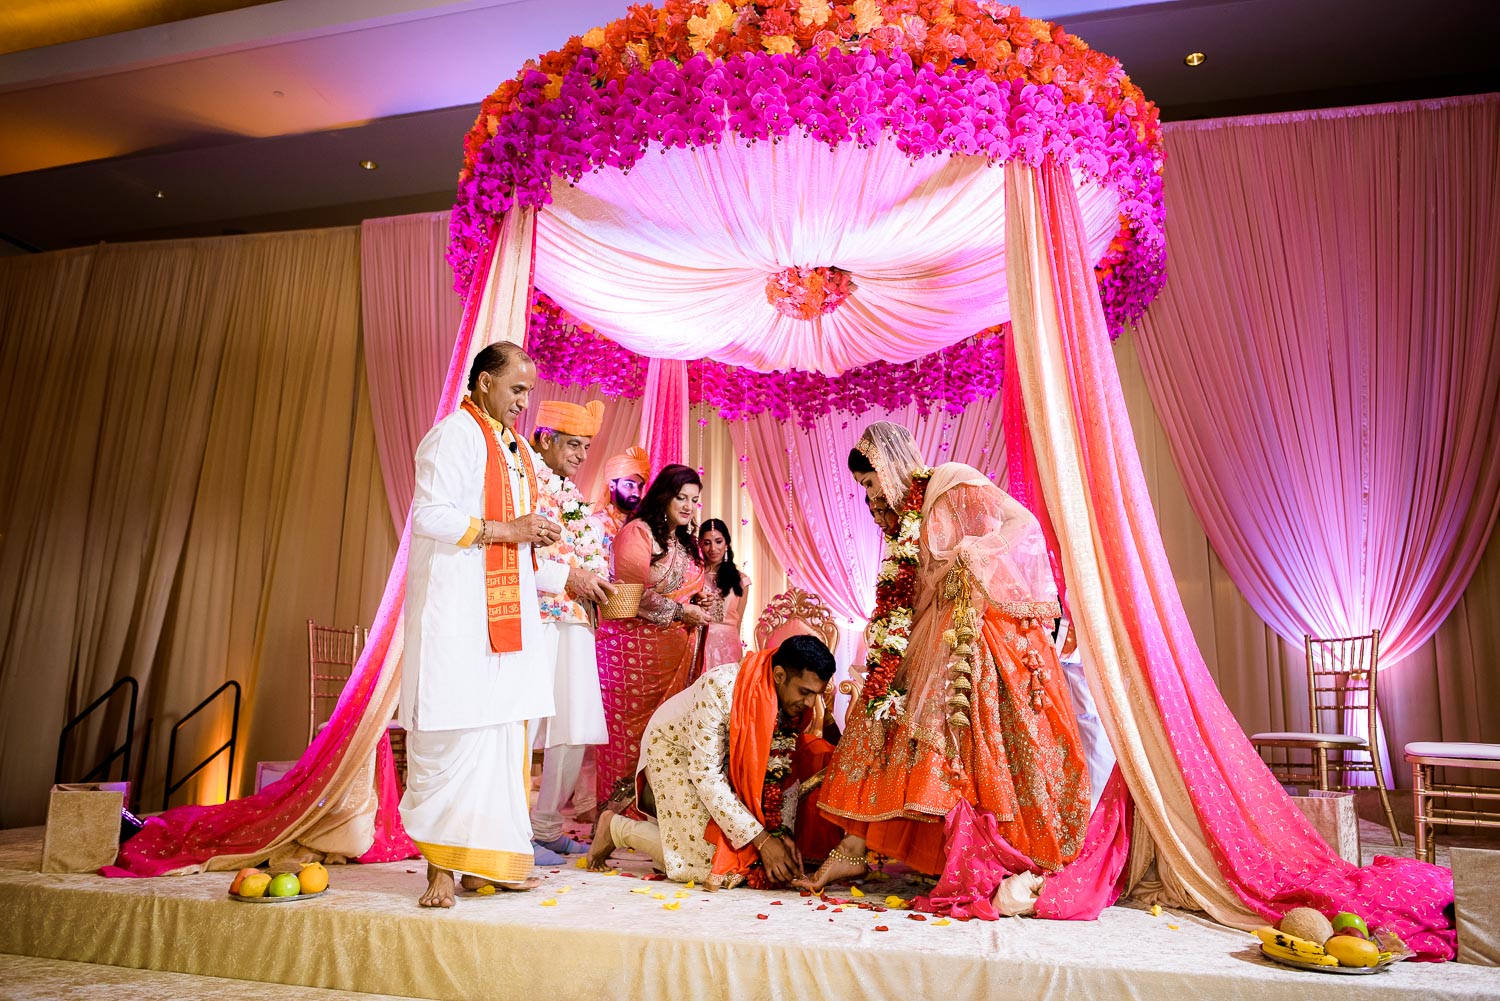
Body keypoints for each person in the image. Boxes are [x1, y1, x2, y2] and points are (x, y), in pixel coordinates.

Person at [798, 421, 1091, 892]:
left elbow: (1023, 523)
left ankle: (966, 851)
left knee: (960, 736)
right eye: (864, 487)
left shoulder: (952, 480)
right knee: (883, 717)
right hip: (927, 631)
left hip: (974, 632)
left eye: (870, 482)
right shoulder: (901, 516)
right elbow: (913, 583)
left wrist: (974, 552)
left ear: (890, 466)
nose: (870, 495)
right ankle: (852, 850)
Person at [399, 342, 568, 908]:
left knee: (496, 731)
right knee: (453, 729)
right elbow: (428, 514)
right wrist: (508, 531)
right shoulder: (455, 434)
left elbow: (510, 527)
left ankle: (483, 864)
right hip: (456, 610)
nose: (525, 401)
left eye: (528, 390)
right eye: (517, 389)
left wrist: (536, 545)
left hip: (502, 615)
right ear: (483, 382)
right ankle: (440, 871)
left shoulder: (510, 447)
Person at [585, 635, 837, 888]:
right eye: (804, 692)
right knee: (708, 865)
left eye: (815, 694)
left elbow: (784, 776)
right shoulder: (721, 687)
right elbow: (706, 774)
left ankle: (675, 838)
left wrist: (782, 834)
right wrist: (762, 840)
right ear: (780, 675)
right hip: (674, 749)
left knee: (743, 857)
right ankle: (616, 828)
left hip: (720, 763)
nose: (808, 703)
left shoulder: (792, 707)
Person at [528, 400, 617, 856]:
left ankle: (545, 827)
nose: (583, 455)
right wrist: (570, 578)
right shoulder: (523, 483)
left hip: (577, 620)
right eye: (574, 445)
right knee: (526, 723)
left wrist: (594, 585)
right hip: (537, 618)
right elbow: (517, 558)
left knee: (571, 726)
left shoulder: (572, 495)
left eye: (587, 446)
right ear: (546, 439)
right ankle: (511, 835)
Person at [594, 464, 711, 805]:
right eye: (681, 497)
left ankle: (653, 814)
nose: (689, 506)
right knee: (628, 738)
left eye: (695, 499)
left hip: (673, 655)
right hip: (631, 659)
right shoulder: (638, 533)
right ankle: (614, 814)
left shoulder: (682, 540)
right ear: (664, 496)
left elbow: (683, 586)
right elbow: (628, 594)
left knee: (666, 736)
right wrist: (679, 611)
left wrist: (695, 598)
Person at [695, 519, 751, 672]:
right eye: (707, 542)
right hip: (697, 645)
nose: (713, 548)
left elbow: (737, 623)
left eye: (718, 541)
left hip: (728, 647)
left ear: (726, 543)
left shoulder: (741, 580)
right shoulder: (694, 575)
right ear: (700, 544)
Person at [594, 445, 650, 565]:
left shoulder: (641, 527)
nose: (636, 492)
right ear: (612, 486)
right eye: (629, 485)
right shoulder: (597, 523)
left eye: (640, 486)